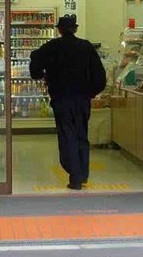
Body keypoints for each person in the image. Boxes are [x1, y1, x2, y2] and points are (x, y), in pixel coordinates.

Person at [29, 14, 106, 190]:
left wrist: (42, 74)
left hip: (61, 99)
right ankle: (83, 173)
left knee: (67, 135)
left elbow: (35, 59)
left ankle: (75, 176)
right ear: (76, 29)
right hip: (82, 99)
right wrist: (91, 93)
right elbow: (100, 76)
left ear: (60, 30)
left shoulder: (52, 47)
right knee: (81, 135)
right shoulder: (86, 47)